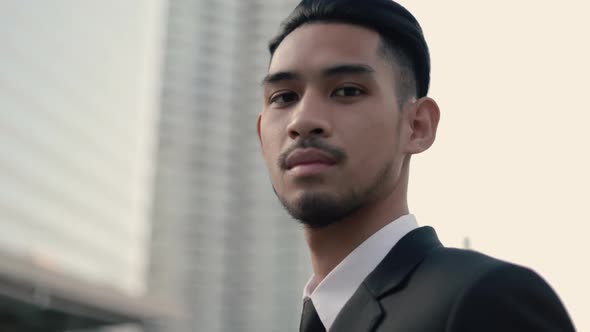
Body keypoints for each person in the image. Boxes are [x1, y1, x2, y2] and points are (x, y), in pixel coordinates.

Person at [256, 0, 575, 331]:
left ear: (418, 126)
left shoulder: (485, 299)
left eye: (347, 91)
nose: (303, 121)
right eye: (283, 97)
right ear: (261, 135)